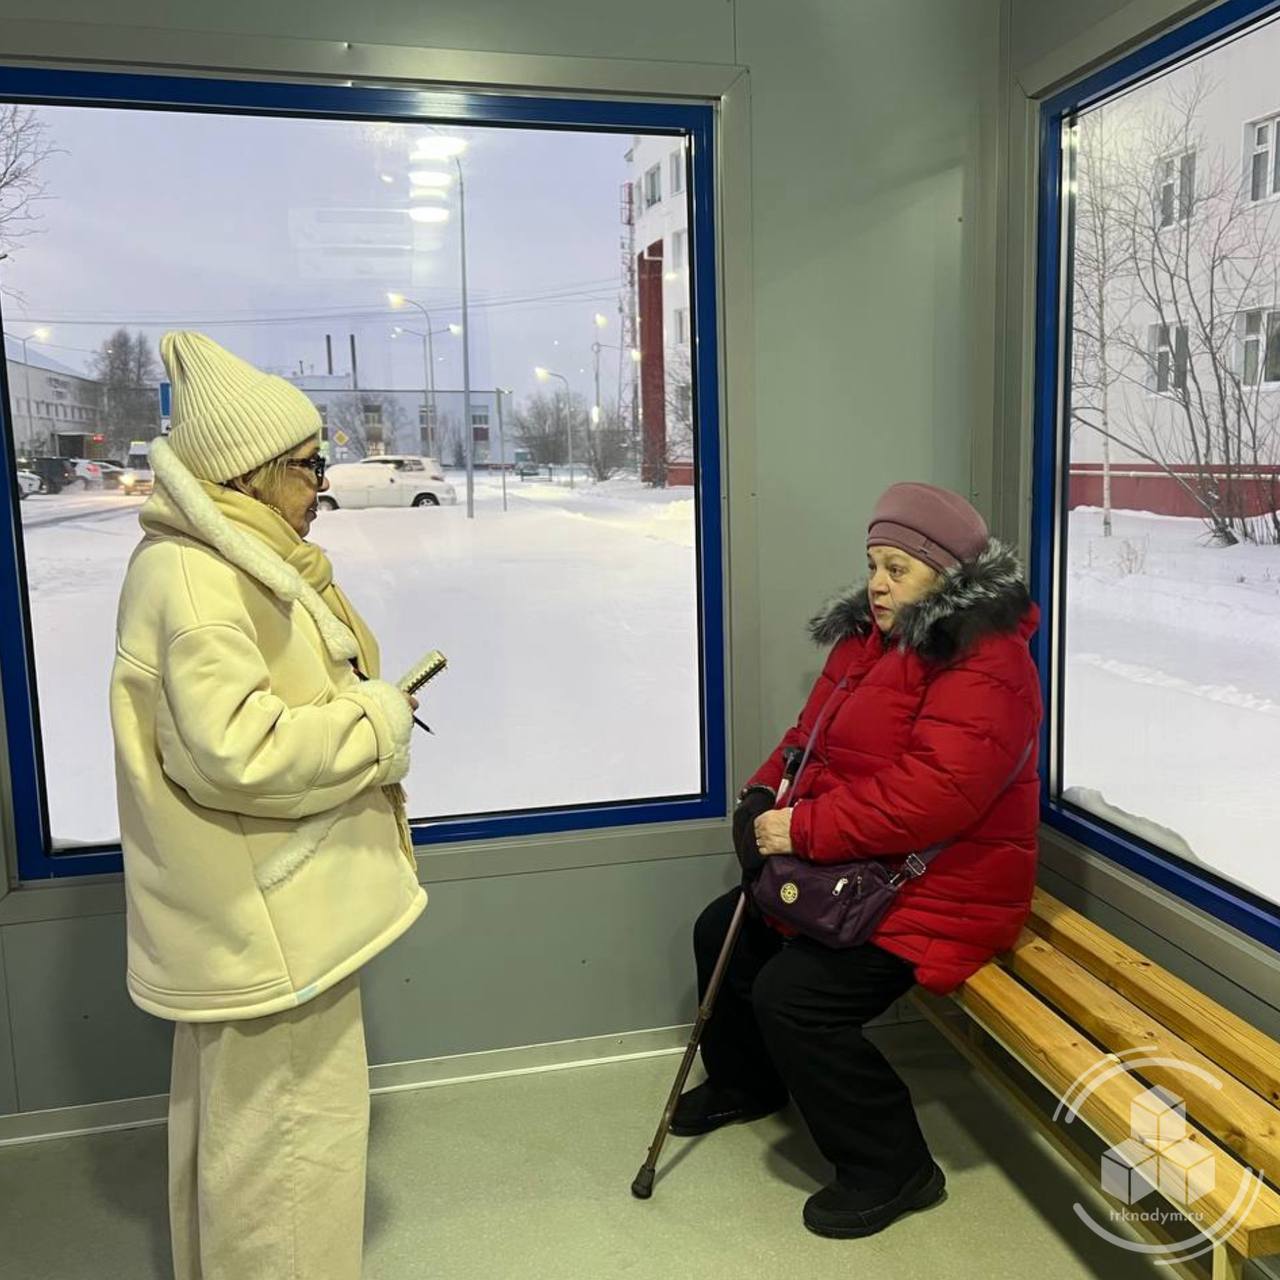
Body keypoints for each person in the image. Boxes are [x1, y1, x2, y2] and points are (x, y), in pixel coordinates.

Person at [109, 332, 427, 1280]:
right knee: (289, 1165)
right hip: (269, 920)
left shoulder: (218, 560)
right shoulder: (202, 578)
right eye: (305, 466)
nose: (318, 485)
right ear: (246, 476)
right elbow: (239, 752)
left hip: (258, 914)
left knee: (243, 1151)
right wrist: (376, 725)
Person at [673, 482, 1042, 1239]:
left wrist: (799, 831)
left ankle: (895, 1166)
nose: (878, 582)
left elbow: (934, 797)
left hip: (942, 886)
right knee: (724, 930)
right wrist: (759, 795)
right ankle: (750, 1081)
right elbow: (806, 740)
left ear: (950, 577)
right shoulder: (867, 645)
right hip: (860, 869)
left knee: (796, 998)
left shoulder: (987, 666)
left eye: (899, 567)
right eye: (875, 563)